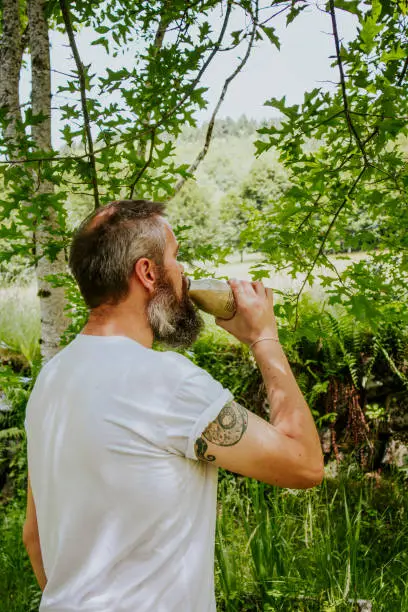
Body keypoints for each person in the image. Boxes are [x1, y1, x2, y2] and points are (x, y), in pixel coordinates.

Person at [23, 199, 324, 612]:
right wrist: (263, 339)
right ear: (147, 273)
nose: (183, 274)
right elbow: (305, 464)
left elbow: (34, 537)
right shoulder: (166, 383)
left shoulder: (50, 380)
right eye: (176, 259)